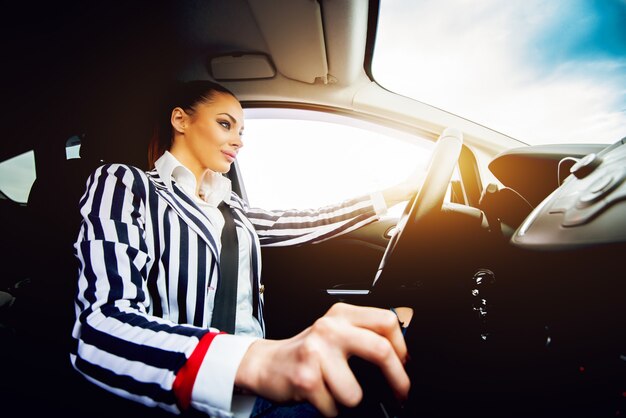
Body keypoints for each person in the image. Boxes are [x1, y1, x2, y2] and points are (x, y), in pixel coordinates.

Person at [71, 80, 418, 418]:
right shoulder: (125, 184)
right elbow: (100, 325)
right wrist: (256, 361)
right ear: (180, 120)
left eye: (241, 132)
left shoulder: (231, 206)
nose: (238, 141)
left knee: (400, 321)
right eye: (226, 125)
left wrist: (394, 194)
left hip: (261, 396)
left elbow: (301, 221)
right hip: (204, 400)